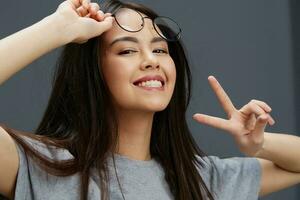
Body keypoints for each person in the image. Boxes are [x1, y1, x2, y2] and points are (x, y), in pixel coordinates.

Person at [0, 0, 299, 199]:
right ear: (93, 73)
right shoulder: (44, 167)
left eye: (159, 50)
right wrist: (58, 29)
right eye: (127, 50)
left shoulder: (200, 180)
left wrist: (259, 144)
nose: (150, 61)